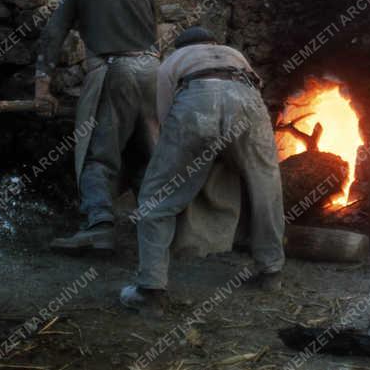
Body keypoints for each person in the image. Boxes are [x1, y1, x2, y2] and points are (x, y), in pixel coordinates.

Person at [120, 27, 285, 316]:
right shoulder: (235, 55)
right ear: (211, 43)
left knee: (156, 199)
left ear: (179, 46)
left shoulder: (172, 62)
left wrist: (182, 163)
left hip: (196, 104)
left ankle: (150, 290)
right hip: (247, 104)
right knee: (265, 187)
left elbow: (164, 117)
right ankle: (271, 272)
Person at [35, 0, 160, 254]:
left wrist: (43, 87)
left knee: (97, 153)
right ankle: (158, 228)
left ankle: (99, 226)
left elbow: (52, 35)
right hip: (152, 73)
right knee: (147, 151)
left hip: (112, 72)